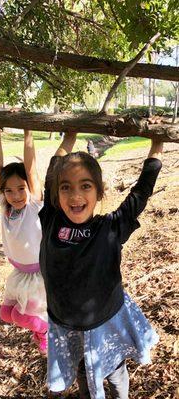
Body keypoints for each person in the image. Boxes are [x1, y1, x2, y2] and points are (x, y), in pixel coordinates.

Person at [39, 134, 163, 399]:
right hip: (66, 323)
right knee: (83, 372)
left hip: (104, 321)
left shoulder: (110, 228)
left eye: (85, 186)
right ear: (56, 192)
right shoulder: (52, 220)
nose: (75, 195)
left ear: (98, 192)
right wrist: (69, 135)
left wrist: (157, 144)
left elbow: (140, 193)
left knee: (115, 373)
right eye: (66, 187)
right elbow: (51, 173)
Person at [0, 128, 47, 354]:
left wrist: (27, 130)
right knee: (6, 314)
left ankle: (45, 330)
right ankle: (39, 326)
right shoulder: (6, 207)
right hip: (19, 274)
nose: (15, 195)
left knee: (21, 317)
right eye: (9, 190)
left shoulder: (33, 205)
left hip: (38, 277)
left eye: (21, 188)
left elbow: (31, 169)